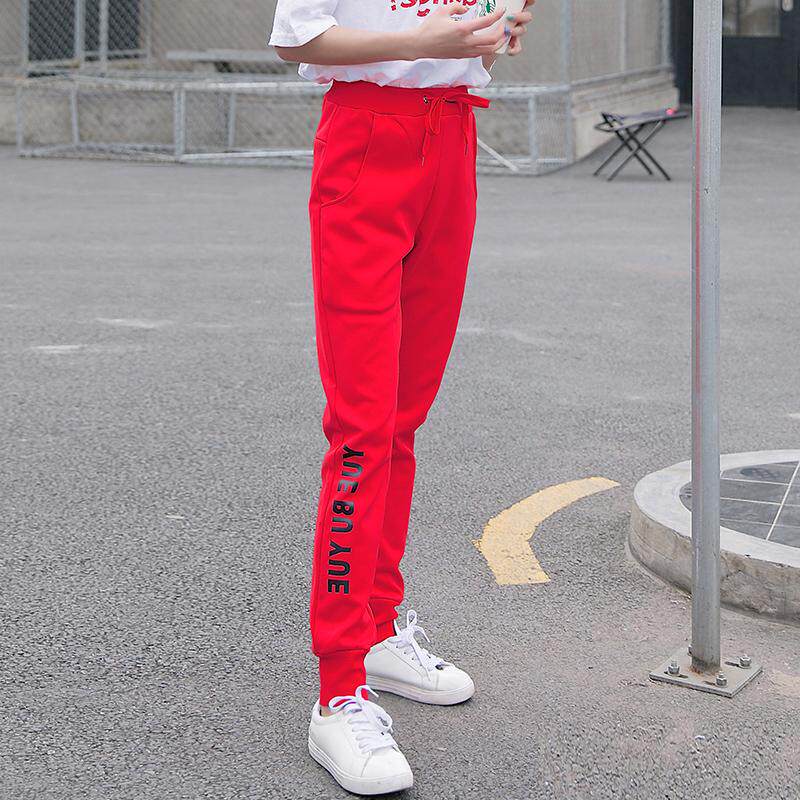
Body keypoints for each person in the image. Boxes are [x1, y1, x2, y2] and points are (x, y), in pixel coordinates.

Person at [270, 0, 533, 793]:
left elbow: (471, 41)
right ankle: (338, 688)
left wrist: (492, 34)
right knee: (361, 428)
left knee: (402, 420)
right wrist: (424, 40)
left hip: (451, 135)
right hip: (368, 136)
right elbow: (297, 37)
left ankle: (379, 631)